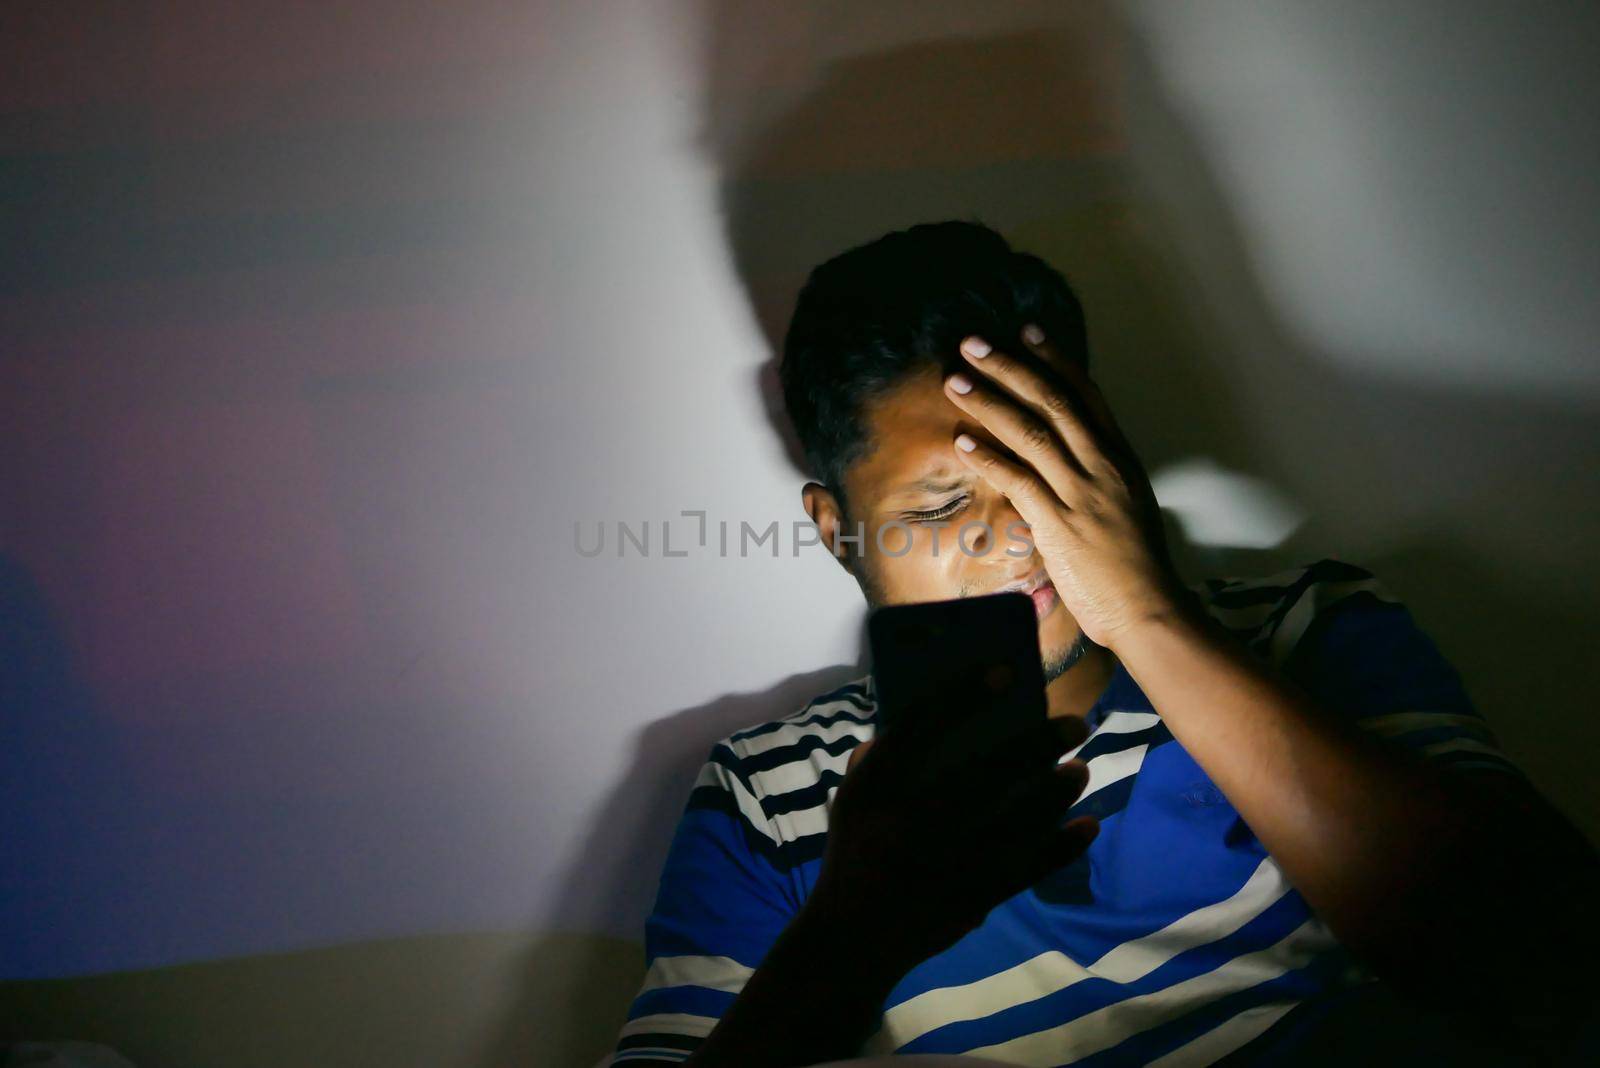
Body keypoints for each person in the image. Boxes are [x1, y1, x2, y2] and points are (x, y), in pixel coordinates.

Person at [602, 221, 1600, 1067]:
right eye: (945, 503)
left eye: (1045, 471)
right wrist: (853, 938)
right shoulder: (769, 797)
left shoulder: (1302, 626)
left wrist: (1150, 616)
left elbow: (1547, 967)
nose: (1015, 533)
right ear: (837, 530)